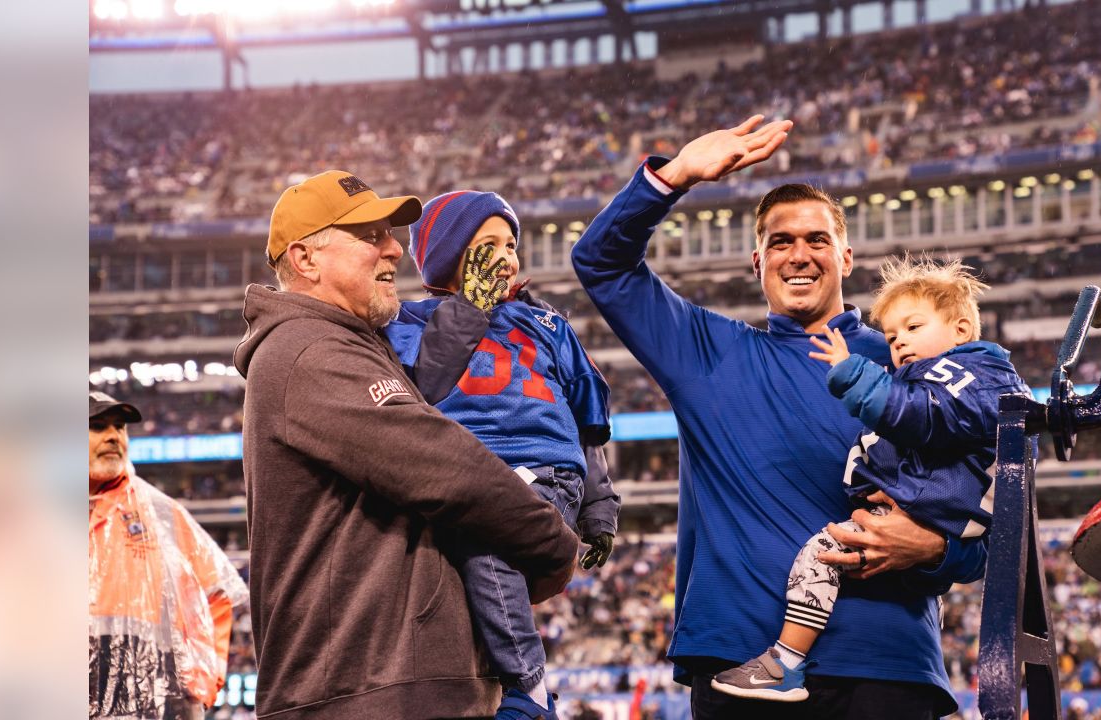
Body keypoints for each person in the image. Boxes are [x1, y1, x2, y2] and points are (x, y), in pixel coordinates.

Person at [571, 116, 987, 719]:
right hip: (738, 663)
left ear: (846, 257)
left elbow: (983, 527)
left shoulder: (911, 363)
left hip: (885, 664)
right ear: (756, 260)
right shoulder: (706, 353)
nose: (800, 254)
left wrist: (931, 547)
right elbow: (602, 264)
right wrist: (677, 175)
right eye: (781, 241)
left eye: (817, 240)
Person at [234, 170, 579, 719]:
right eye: (370, 236)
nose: (394, 247)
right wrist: (555, 544)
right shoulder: (310, 351)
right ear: (306, 259)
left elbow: (428, 396)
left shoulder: (350, 346)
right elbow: (444, 466)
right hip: (365, 693)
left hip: (385, 686)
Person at [711, 257, 1028, 702]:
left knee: (821, 554)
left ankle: (785, 661)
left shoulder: (960, 376)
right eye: (894, 337)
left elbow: (916, 415)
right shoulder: (980, 381)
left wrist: (854, 372)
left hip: (940, 514)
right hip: (944, 510)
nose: (899, 344)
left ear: (961, 330)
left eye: (913, 328)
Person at [383, 190, 621, 719]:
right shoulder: (409, 320)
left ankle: (530, 686)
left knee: (484, 544)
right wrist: (469, 309)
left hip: (543, 470)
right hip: (465, 475)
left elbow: (587, 419)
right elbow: (424, 386)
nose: (505, 257)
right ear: (447, 255)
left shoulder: (549, 324)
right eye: (485, 245)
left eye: (509, 244)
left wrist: (600, 508)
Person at [89, 390, 249, 720]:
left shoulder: (161, 513)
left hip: (152, 698)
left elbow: (218, 594)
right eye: (96, 426)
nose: (112, 436)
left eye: (119, 427)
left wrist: (203, 681)